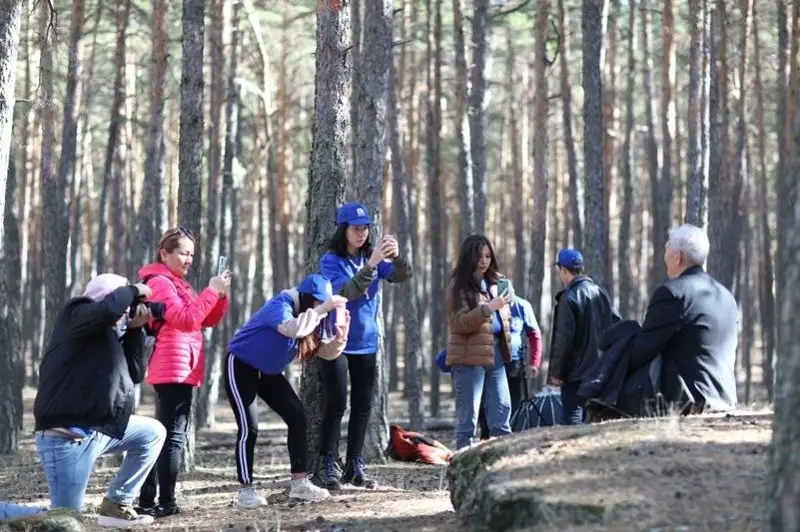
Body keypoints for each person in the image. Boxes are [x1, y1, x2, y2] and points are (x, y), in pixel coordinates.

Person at [33, 274, 166, 528]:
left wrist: (136, 330)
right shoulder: (76, 313)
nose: (126, 311)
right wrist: (135, 289)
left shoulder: (110, 332)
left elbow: (135, 374)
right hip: (65, 438)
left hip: (97, 429)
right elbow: (108, 308)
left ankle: (116, 505)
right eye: (126, 303)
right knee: (65, 521)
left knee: (153, 432)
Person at [225, 274, 350, 507]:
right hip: (241, 365)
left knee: (297, 417)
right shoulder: (280, 305)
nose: (319, 307)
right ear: (304, 298)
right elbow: (293, 329)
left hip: (269, 373)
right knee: (249, 428)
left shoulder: (312, 315)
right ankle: (245, 491)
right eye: (316, 301)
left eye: (322, 303)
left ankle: (299, 484)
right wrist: (323, 308)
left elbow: (323, 352)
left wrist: (340, 339)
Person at [136, 227, 231, 517]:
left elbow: (208, 319)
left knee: (166, 435)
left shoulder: (180, 283)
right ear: (164, 253)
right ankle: (165, 502)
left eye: (191, 254)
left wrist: (221, 295)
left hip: (182, 365)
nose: (188, 259)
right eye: (182, 253)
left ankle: (148, 499)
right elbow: (188, 320)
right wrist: (211, 290)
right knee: (173, 436)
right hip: (172, 366)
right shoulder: (161, 282)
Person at [318, 202, 413, 489]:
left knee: (362, 407)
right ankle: (327, 463)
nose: (361, 234)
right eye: (356, 229)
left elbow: (403, 276)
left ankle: (355, 465)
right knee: (335, 405)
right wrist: (371, 265)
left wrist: (396, 258)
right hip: (336, 342)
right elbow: (346, 292)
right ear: (343, 229)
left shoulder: (371, 258)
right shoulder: (331, 260)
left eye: (365, 229)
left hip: (367, 344)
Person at [630, 224, 738, 412]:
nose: (664, 258)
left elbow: (642, 349)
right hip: (725, 398)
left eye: (666, 251)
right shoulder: (726, 296)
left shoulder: (672, 293)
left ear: (677, 257)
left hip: (690, 401)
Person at [446, 234, 513, 450]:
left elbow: (502, 320)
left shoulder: (495, 283)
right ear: (468, 257)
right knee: (468, 420)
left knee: (502, 412)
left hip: (496, 355)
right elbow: (460, 323)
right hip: (468, 358)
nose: (484, 261)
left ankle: (504, 465)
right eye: (479, 256)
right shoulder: (458, 285)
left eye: (488, 255)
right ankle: (463, 470)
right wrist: (488, 308)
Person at [547, 248, 620, 425]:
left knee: (572, 416)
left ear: (564, 270)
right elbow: (616, 323)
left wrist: (557, 373)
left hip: (575, 372)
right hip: (600, 368)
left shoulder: (569, 297)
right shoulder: (600, 292)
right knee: (595, 418)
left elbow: (563, 340)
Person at [478, 295, 542, 439]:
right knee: (486, 401)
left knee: (512, 402)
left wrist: (534, 362)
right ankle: (486, 435)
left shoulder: (522, 305)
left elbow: (534, 334)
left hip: (514, 363)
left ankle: (509, 435)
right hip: (489, 361)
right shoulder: (488, 304)